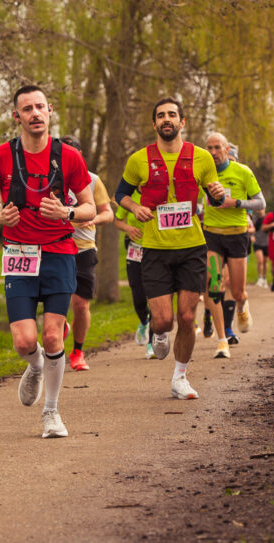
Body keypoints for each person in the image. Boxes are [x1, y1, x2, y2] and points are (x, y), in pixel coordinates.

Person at [0, 85, 95, 438]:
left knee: (52, 336)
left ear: (50, 111)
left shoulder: (69, 157)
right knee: (23, 341)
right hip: (18, 253)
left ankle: (51, 413)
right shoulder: (0, 155)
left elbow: (90, 208)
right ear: (16, 116)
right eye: (27, 109)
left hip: (59, 253)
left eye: (40, 107)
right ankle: (35, 367)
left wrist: (67, 212)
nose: (35, 113)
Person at [115, 97, 227, 400]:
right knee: (164, 319)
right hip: (154, 248)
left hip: (192, 247)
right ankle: (159, 332)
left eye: (172, 114)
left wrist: (217, 194)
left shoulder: (202, 157)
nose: (167, 119)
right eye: (161, 115)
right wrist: (135, 207)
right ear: (154, 124)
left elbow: (214, 198)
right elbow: (120, 193)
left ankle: (180, 377)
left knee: (188, 317)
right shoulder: (138, 159)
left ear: (182, 122)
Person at [200, 133, 265, 356]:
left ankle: (242, 305)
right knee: (214, 287)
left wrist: (235, 203)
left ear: (227, 149)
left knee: (237, 291)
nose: (213, 152)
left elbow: (260, 203)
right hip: (212, 236)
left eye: (217, 147)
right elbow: (195, 200)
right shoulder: (202, 174)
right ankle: (222, 340)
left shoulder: (243, 171)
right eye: (209, 148)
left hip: (237, 236)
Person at [60, 136, 114, 372]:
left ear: (80, 156)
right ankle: (61, 326)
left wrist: (93, 218)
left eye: (72, 153)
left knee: (81, 305)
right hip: (56, 247)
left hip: (84, 249)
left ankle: (77, 352)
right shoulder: (50, 180)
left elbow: (108, 213)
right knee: (56, 300)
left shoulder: (92, 180)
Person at [114, 189, 154, 358]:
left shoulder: (157, 191)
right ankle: (144, 321)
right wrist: (128, 228)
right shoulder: (129, 197)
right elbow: (117, 221)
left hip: (156, 250)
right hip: (135, 250)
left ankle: (152, 342)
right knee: (138, 297)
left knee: (155, 297)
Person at [252, 209, 269, 287]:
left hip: (267, 242)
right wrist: (251, 236)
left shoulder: (268, 218)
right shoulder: (254, 219)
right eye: (258, 209)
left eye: (261, 209)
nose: (260, 210)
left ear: (264, 209)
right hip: (257, 242)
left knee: (265, 262)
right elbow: (250, 228)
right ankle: (260, 278)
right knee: (260, 260)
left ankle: (264, 278)